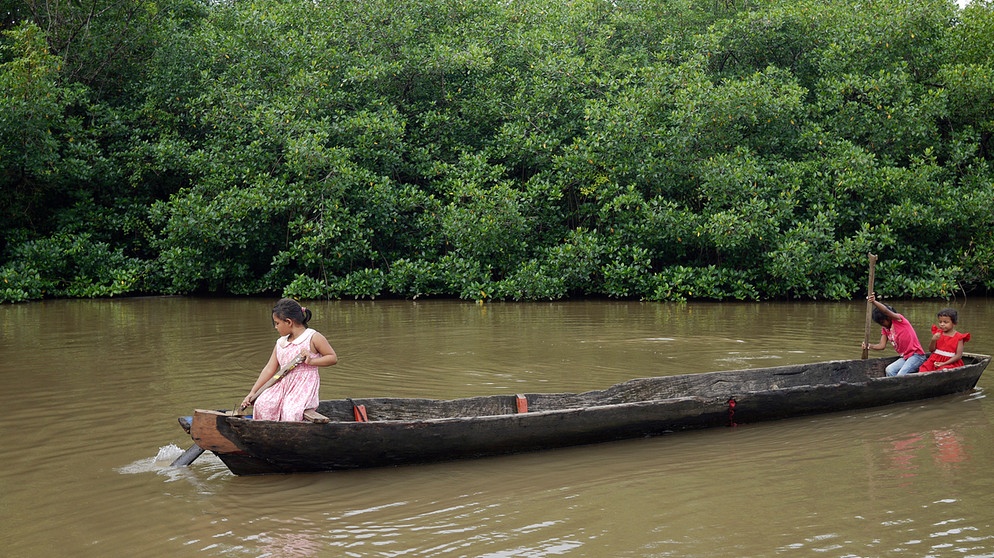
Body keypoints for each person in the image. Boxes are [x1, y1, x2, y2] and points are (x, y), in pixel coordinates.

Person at [241, 298, 338, 421]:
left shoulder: (313, 337)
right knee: (263, 404)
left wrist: (312, 361)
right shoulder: (281, 343)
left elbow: (332, 358)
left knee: (291, 412)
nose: (276, 327)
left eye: (277, 323)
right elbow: (269, 369)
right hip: (282, 384)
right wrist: (252, 392)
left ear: (288, 322)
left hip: (303, 386)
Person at [861, 293, 926, 376]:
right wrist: (869, 346)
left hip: (917, 356)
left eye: (882, 322)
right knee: (889, 370)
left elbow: (885, 311)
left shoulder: (899, 320)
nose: (882, 325)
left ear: (888, 318)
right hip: (905, 357)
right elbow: (882, 345)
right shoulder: (885, 329)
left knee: (901, 375)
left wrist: (874, 302)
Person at [918, 308, 970, 372]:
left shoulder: (959, 337)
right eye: (940, 322)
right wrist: (933, 340)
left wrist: (944, 363)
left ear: (954, 323)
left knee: (943, 370)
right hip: (934, 360)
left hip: (950, 362)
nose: (942, 324)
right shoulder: (938, 333)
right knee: (924, 369)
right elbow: (931, 350)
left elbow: (958, 356)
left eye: (945, 322)